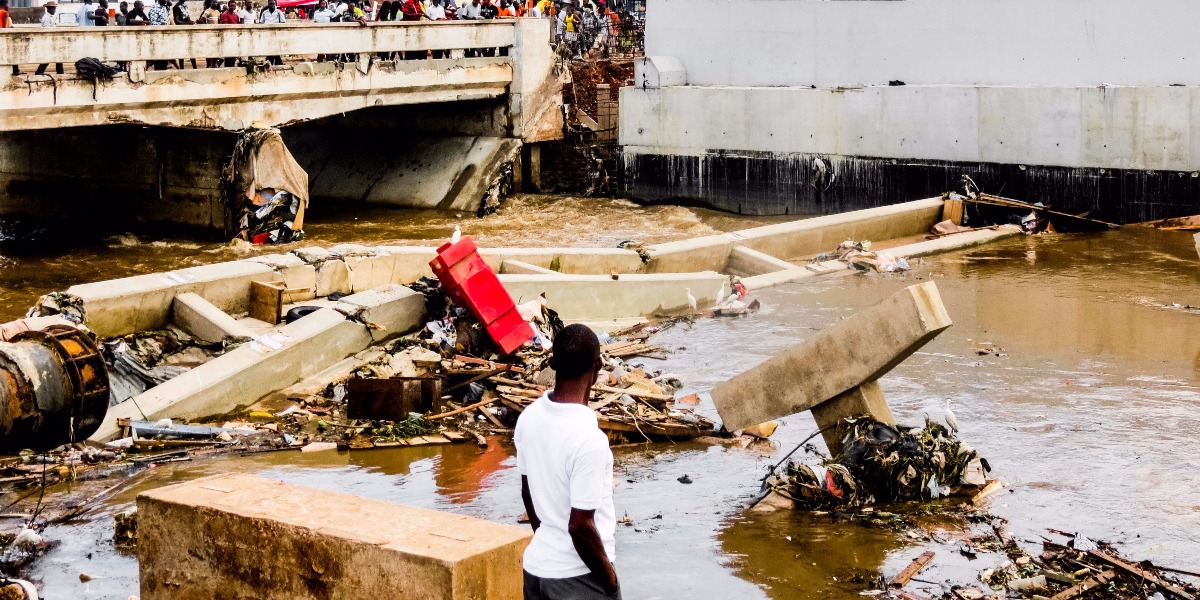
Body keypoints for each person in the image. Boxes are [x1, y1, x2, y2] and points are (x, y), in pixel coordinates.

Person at [515, 324, 620, 600]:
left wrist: (548, 538)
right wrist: (610, 583)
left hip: (537, 572)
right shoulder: (590, 440)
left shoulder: (528, 418)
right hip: (579, 579)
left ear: (552, 364)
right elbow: (580, 526)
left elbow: (527, 491)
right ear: (597, 367)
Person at [33, 2, 65, 74]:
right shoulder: (47, 18)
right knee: (51, 57)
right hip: (50, 41)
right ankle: (39, 71)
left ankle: (60, 72)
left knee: (57, 57)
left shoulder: (49, 17)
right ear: (50, 9)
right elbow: (48, 31)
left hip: (52, 40)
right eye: (54, 9)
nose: (55, 10)